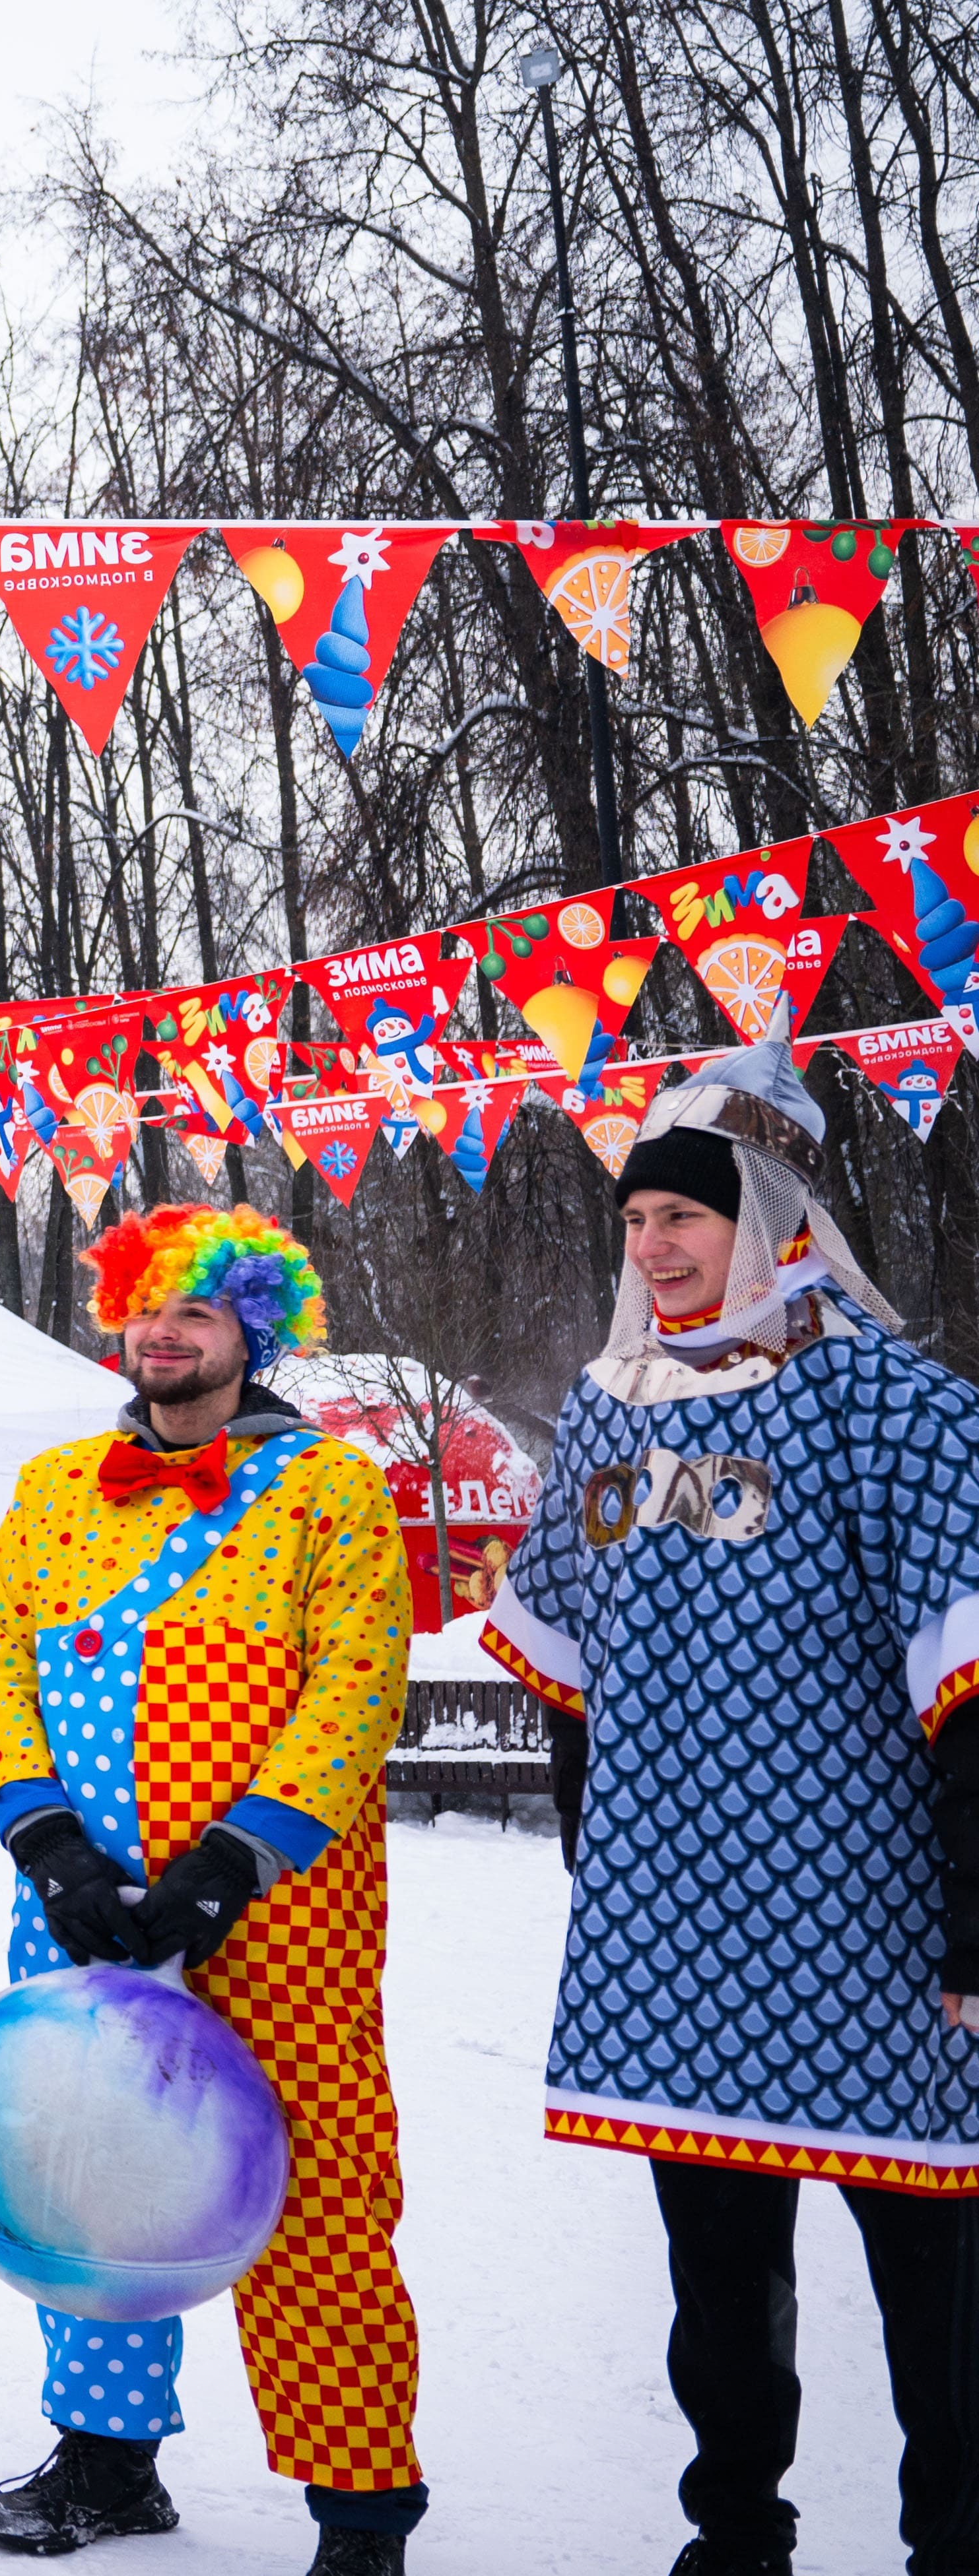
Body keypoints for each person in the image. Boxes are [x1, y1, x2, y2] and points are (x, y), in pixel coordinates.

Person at [480, 1035, 979, 2576]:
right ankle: (735, 2531)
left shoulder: (887, 1403)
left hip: (872, 1925)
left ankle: (954, 2540)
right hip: (677, 1933)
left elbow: (966, 1667)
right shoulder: (608, 1413)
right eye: (637, 1222)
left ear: (766, 1225)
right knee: (716, 2274)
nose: (657, 1245)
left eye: (684, 1217)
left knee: (935, 2269)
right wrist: (599, 1871)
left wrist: (974, 1918)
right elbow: (564, 1667)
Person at [0, 1208, 422, 2573]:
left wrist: (234, 1861)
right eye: (145, 1310)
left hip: (277, 1915)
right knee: (85, 2174)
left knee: (316, 2190)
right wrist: (49, 1843)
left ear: (251, 1332)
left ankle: (359, 2505)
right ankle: (110, 2464)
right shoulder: (53, 1485)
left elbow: (359, 1685)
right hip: (80, 1914)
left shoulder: (330, 1488)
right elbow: (2, 1657)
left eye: (197, 1314)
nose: (163, 1335)